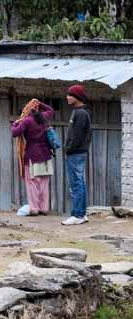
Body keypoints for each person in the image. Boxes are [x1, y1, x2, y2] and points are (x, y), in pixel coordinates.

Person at [11, 98, 55, 216]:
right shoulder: (44, 116)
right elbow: (51, 110)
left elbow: (15, 133)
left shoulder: (26, 121)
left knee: (32, 183)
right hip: (45, 154)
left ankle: (34, 209)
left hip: (31, 154)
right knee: (44, 182)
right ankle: (44, 208)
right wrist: (40, 103)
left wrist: (15, 124)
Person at [63, 84, 92, 226]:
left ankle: (77, 214)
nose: (67, 97)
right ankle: (82, 213)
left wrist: (68, 149)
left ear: (78, 97)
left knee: (76, 183)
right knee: (79, 182)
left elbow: (77, 136)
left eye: (70, 95)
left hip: (76, 153)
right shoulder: (79, 112)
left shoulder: (81, 114)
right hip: (77, 152)